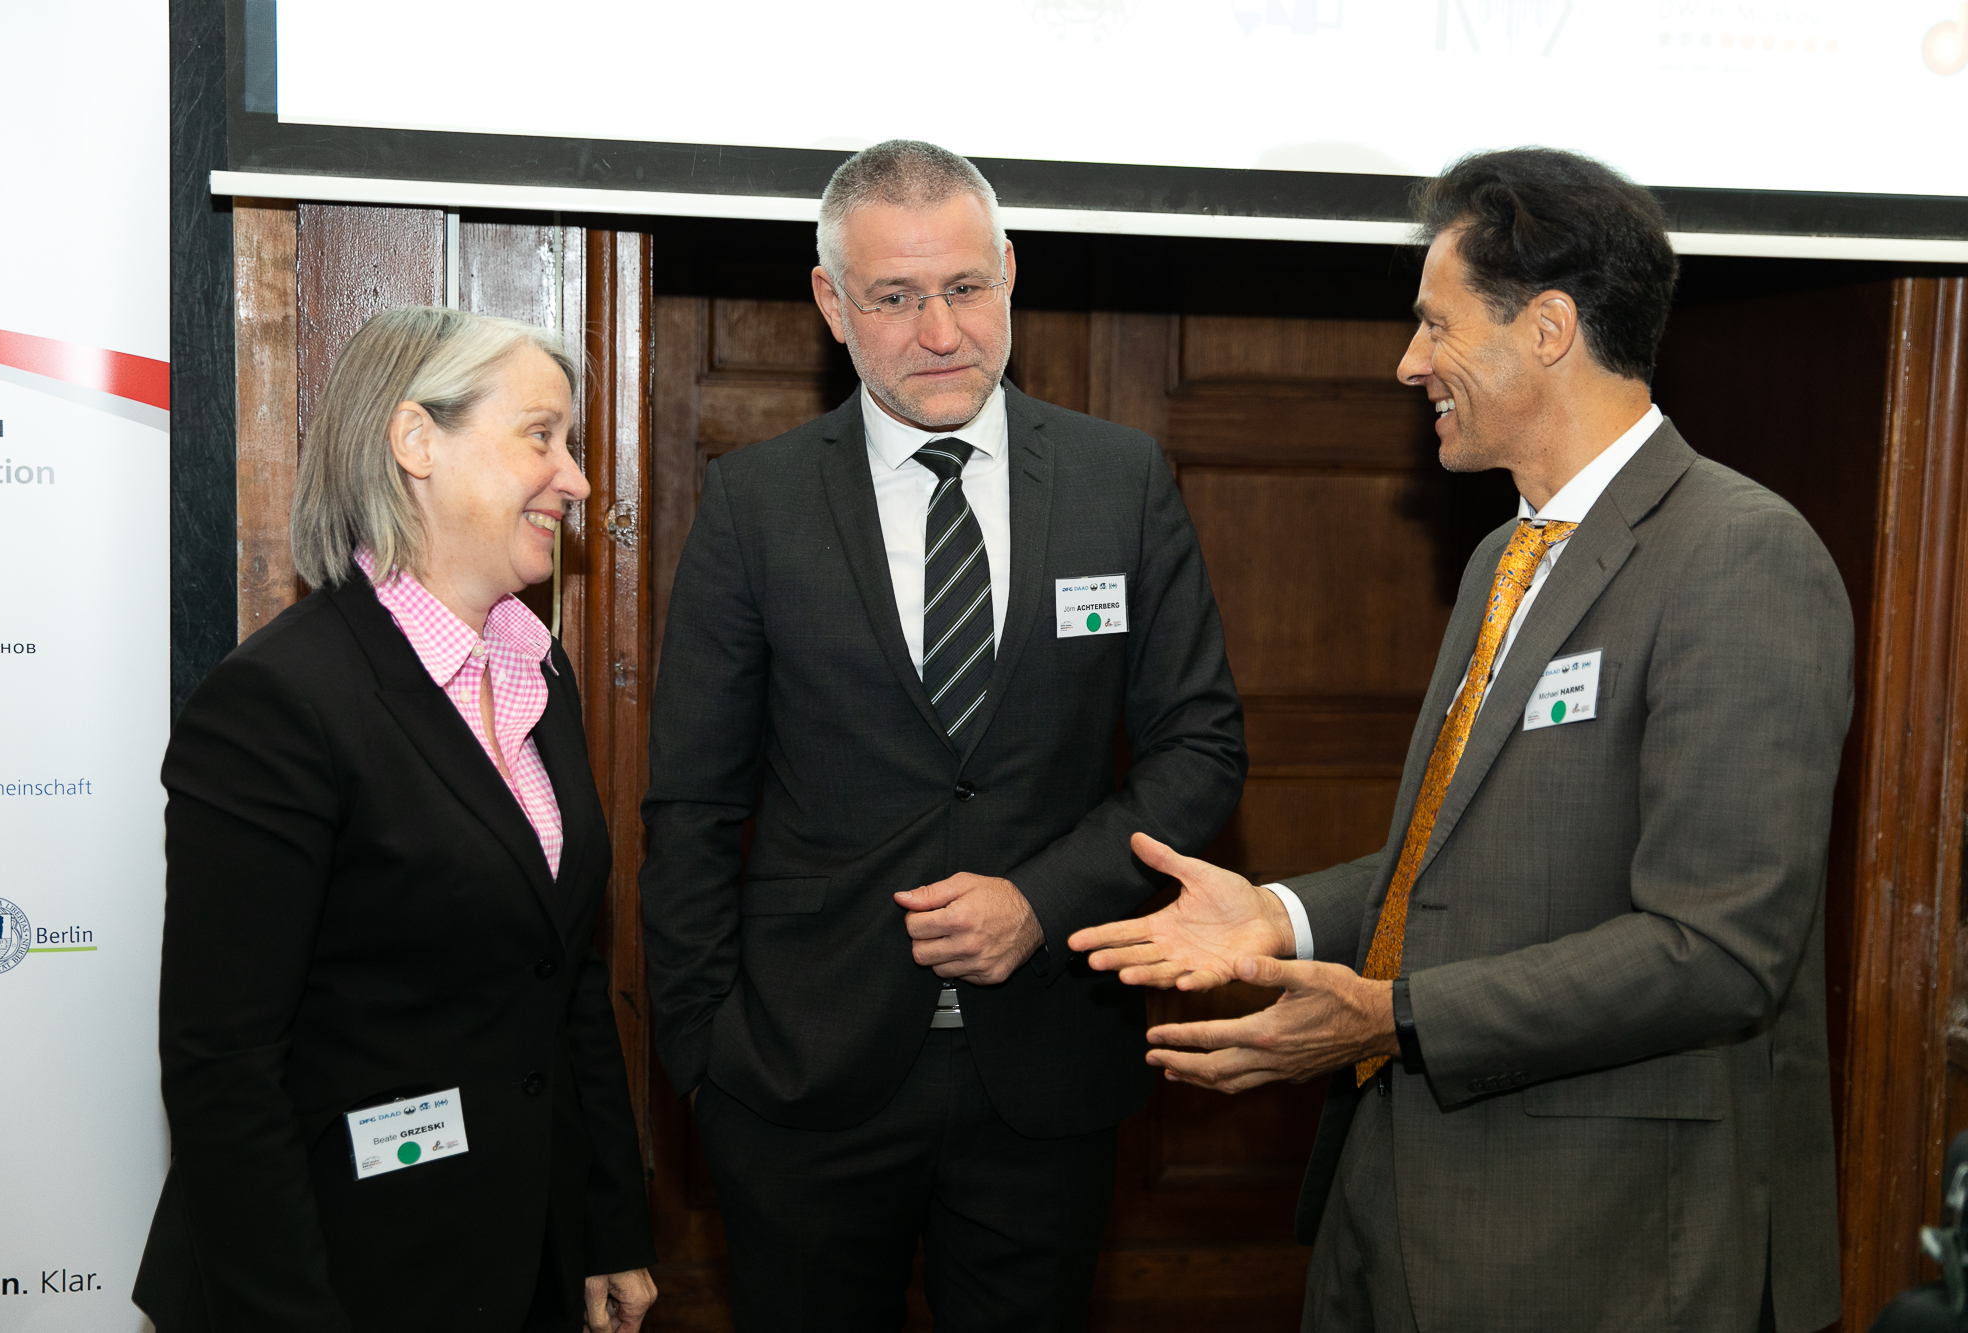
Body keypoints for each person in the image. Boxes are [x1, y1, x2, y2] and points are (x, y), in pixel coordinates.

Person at [1072, 148, 1853, 1333]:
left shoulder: (1739, 553)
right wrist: (1274, 916)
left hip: (1596, 1244)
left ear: (1545, 328)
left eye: (1433, 326)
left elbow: (1715, 946)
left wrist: (1394, 1018)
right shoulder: (1503, 557)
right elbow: (1462, 871)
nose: (1407, 363)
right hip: (1393, 1205)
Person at [639, 139, 1246, 1331]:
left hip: (1048, 1072)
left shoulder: (1116, 480)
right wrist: (703, 1064)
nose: (939, 332)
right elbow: (691, 808)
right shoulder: (753, 504)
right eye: (894, 297)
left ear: (1009, 274)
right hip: (801, 1080)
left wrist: (1040, 897)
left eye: (966, 289)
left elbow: (1199, 750)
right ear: (830, 302)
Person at [134, 308, 657, 1333]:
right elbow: (221, 1066)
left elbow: (567, 976)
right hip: (341, 1273)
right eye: (540, 436)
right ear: (418, 442)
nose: (578, 480)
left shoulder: (534, 666)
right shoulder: (279, 701)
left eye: (573, 445)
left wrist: (608, 1223)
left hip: (521, 1259)